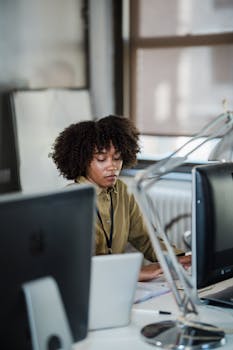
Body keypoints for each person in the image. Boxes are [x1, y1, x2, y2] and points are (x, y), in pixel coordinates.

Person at [51, 115, 191, 281]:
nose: (113, 166)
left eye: (117, 158)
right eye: (101, 159)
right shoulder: (71, 201)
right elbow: (77, 264)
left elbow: (145, 238)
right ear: (82, 161)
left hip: (116, 285)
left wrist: (178, 258)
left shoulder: (122, 191)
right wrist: (137, 273)